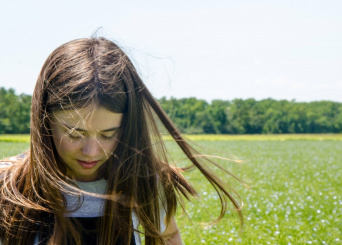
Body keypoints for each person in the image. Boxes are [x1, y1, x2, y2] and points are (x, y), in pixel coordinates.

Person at [0, 37, 243, 245]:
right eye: (75, 134)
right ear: (44, 121)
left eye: (108, 135)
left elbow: (168, 234)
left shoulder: (145, 183)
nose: (91, 151)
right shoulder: (9, 187)